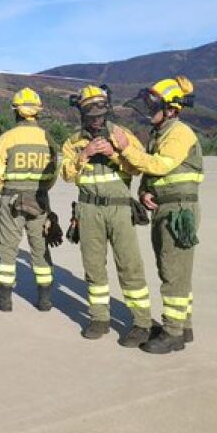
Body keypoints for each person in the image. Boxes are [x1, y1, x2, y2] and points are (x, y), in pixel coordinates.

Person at [113, 76, 204, 354]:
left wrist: (126, 149)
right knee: (172, 268)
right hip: (165, 207)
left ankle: (173, 333)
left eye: (153, 107)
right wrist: (145, 191)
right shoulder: (160, 134)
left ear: (172, 110)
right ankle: (184, 326)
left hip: (178, 210)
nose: (148, 112)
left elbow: (160, 165)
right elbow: (153, 172)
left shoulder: (179, 133)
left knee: (174, 271)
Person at [61, 85, 154, 347]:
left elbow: (139, 166)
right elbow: (66, 175)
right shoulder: (73, 142)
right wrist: (85, 155)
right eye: (91, 115)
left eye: (100, 114)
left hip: (119, 209)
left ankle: (142, 323)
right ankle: (99, 318)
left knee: (129, 266)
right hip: (88, 209)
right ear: (83, 114)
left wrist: (115, 153)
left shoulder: (123, 135)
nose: (97, 120)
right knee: (93, 267)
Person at [0, 88, 61, 313]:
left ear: (16, 111)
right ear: (37, 112)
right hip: (40, 199)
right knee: (40, 248)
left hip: (12, 198)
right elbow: (53, 174)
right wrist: (41, 192)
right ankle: (45, 300)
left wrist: (7, 191)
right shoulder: (48, 139)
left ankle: (4, 299)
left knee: (8, 249)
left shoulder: (7, 138)